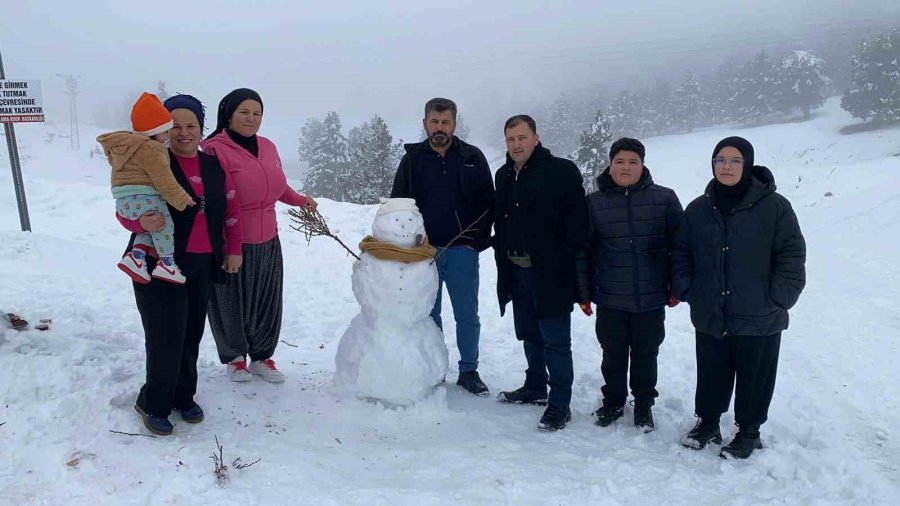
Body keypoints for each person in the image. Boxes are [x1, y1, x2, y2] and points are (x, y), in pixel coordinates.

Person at [672, 136, 806, 459]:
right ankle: (708, 423)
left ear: (747, 164)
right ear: (713, 165)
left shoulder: (776, 207)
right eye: (720, 160)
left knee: (755, 376)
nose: (727, 166)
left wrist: (780, 296)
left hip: (760, 313)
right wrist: (687, 288)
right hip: (711, 309)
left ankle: (749, 432)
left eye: (735, 160)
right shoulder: (698, 209)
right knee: (711, 370)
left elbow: (792, 254)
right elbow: (681, 252)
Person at [117, 94, 243, 435]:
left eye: (192, 126)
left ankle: (183, 396)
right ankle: (153, 402)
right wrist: (140, 222)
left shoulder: (213, 166)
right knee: (164, 336)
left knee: (191, 333)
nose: (184, 133)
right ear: (163, 129)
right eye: (175, 126)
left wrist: (233, 249)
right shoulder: (151, 160)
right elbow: (124, 207)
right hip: (158, 263)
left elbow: (231, 211)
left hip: (201, 262)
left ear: (202, 130)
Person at [201, 88, 317, 383]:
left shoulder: (268, 146)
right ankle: (235, 358)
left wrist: (301, 200)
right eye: (244, 112)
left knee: (267, 298)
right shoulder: (214, 149)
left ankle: (262, 356)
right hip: (233, 239)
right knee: (232, 300)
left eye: (257, 113)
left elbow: (278, 186)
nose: (251, 119)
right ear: (228, 114)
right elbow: (223, 200)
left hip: (268, 238)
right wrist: (232, 247)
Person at [390, 97, 495, 396]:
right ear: (425, 124)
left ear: (454, 124)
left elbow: (489, 203)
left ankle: (468, 370)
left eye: (445, 122)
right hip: (425, 253)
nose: (439, 127)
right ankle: (434, 368)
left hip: (463, 250)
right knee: (429, 314)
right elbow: (400, 204)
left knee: (466, 314)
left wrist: (476, 242)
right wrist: (408, 245)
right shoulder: (412, 160)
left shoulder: (472, 157)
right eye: (434, 122)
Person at [493, 115, 590, 431]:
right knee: (529, 333)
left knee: (555, 341)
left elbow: (578, 227)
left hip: (550, 274)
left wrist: (570, 269)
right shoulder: (504, 175)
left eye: (522, 137)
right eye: (511, 139)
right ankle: (536, 385)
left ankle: (560, 404)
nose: (516, 145)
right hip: (516, 270)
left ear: (536, 137)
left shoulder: (561, 171)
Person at [584, 138, 683, 432]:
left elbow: (680, 247)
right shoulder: (594, 203)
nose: (626, 167)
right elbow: (584, 251)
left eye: (633, 162)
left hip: (651, 297)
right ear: (610, 164)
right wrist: (584, 292)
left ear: (642, 164)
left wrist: (677, 286)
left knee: (646, 353)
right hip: (611, 296)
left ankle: (643, 405)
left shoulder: (664, 199)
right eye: (620, 162)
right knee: (612, 353)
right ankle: (613, 401)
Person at [99, 92, 196, 285]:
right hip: (145, 198)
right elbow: (164, 181)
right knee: (163, 225)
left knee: (149, 229)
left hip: (125, 202)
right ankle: (167, 264)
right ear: (156, 130)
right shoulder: (152, 150)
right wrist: (184, 199)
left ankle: (136, 256)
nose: (167, 136)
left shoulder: (128, 147)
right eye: (167, 130)